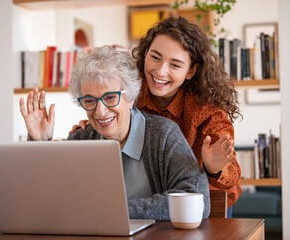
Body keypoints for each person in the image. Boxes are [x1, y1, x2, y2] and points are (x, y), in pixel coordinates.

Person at [19, 46, 211, 221]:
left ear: (130, 96)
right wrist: (40, 143)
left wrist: (115, 210)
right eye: (89, 100)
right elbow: (48, 200)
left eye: (110, 97)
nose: (100, 112)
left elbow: (198, 201)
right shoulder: (82, 138)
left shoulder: (163, 134)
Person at [132, 16, 242, 217]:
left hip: (203, 206)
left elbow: (232, 173)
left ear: (191, 70)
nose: (160, 71)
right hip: (148, 200)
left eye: (175, 65)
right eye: (155, 57)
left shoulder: (208, 111)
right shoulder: (130, 91)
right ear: (145, 54)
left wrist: (214, 169)